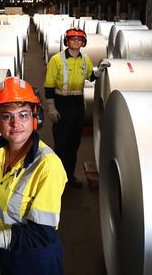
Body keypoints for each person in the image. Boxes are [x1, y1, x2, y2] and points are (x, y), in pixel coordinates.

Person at [0, 76, 67, 275]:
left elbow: (43, 233)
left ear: (36, 117)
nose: (15, 123)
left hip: (37, 258)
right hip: (9, 251)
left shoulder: (48, 165)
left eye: (23, 114)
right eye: (6, 116)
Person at [44, 27, 111, 188]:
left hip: (78, 105)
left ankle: (69, 177)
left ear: (83, 42)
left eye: (79, 39)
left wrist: (99, 69)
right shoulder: (56, 60)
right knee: (61, 144)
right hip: (61, 104)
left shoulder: (85, 59)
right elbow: (49, 85)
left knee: (74, 144)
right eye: (72, 39)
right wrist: (51, 107)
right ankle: (58, 179)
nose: (76, 41)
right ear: (66, 41)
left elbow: (90, 76)